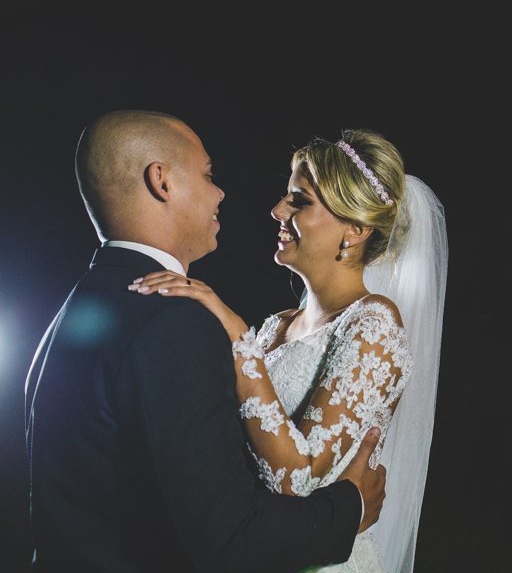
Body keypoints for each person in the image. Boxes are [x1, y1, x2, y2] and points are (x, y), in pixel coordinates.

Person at [24, 111, 387, 572]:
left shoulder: (78, 307)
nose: (220, 193)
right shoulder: (171, 321)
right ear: (162, 181)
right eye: (209, 175)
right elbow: (231, 537)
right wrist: (350, 508)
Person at [129, 130, 448, 573]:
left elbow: (299, 481)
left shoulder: (373, 324)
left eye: (299, 201)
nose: (278, 211)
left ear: (355, 230)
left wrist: (237, 336)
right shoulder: (277, 325)